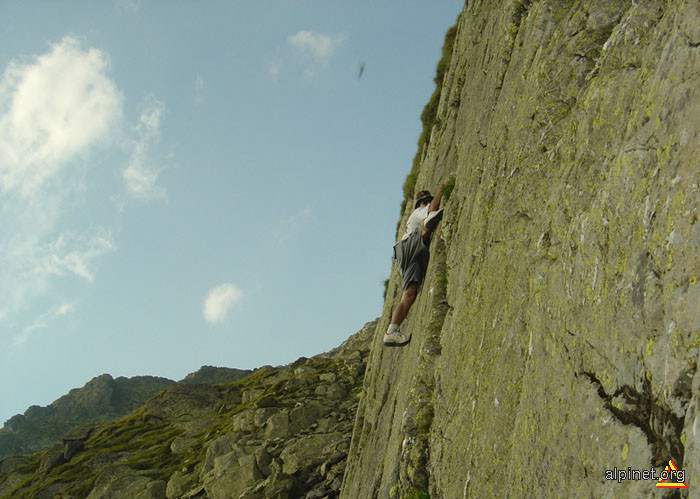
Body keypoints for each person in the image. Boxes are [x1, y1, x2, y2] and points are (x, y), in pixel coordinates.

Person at [384, 183, 446, 346]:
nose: (426, 204)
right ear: (420, 204)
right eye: (424, 202)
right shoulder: (417, 213)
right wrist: (441, 189)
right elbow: (432, 208)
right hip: (409, 246)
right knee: (426, 226)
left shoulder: (413, 220)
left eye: (428, 201)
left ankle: (392, 331)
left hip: (405, 255)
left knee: (409, 294)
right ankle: (429, 223)